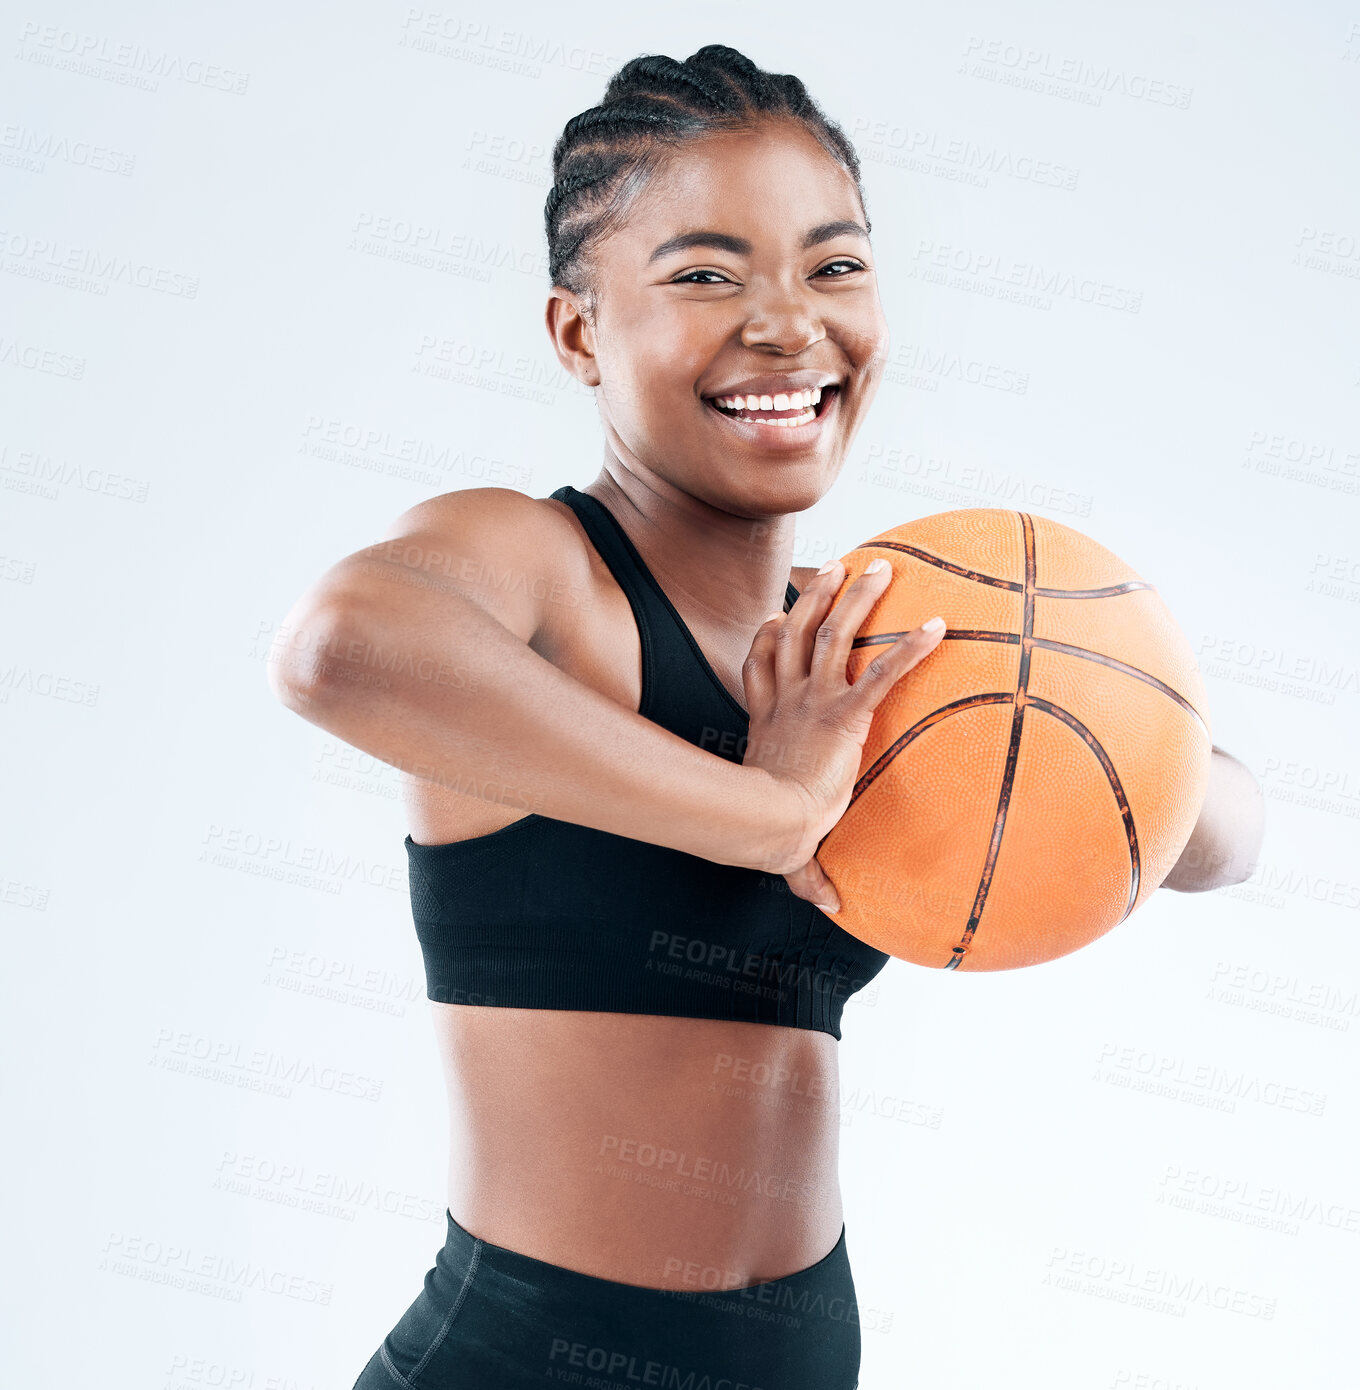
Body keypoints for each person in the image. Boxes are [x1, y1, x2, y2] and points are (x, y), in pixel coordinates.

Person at [267, 44, 1264, 1389]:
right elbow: (339, 650)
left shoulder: (862, 638)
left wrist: (1095, 706)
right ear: (576, 333)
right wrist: (773, 807)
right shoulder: (542, 572)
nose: (787, 321)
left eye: (833, 264)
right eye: (704, 273)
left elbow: (1222, 830)